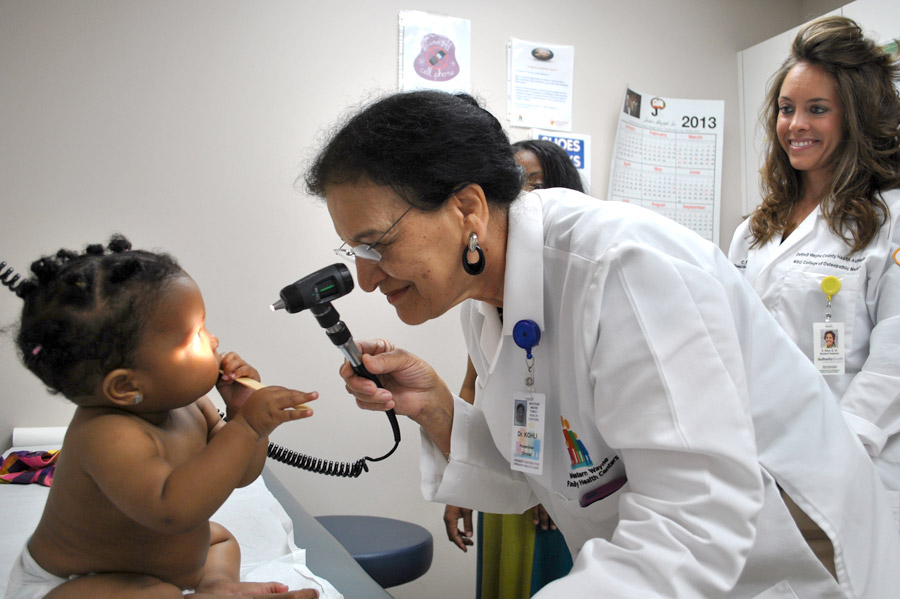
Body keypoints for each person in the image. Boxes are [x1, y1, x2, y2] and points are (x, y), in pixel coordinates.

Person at [305, 89, 900, 597]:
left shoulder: (623, 268)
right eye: (354, 251)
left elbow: (696, 514)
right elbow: (542, 471)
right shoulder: (490, 297)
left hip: (785, 559)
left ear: (467, 208)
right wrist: (436, 407)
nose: (366, 277)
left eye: (377, 243)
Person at [4, 236, 319, 599]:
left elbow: (239, 473)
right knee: (157, 594)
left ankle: (218, 587)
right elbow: (174, 511)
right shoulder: (108, 435)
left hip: (156, 569)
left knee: (218, 539)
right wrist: (247, 426)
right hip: (72, 586)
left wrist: (238, 416)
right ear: (125, 386)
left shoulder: (190, 406)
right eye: (193, 337)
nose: (214, 341)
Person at [728, 17, 900, 499]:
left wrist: (838, 451)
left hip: (855, 466)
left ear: (856, 117)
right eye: (786, 109)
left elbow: (893, 361)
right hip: (760, 462)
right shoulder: (755, 230)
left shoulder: (890, 220)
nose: (795, 125)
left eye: (817, 109)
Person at [443, 139, 579, 599]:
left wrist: (549, 491)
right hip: (502, 471)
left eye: (535, 182)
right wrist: (460, 480)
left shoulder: (570, 288)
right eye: (513, 183)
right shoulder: (483, 300)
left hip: (566, 489)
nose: (522, 195)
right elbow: (471, 385)